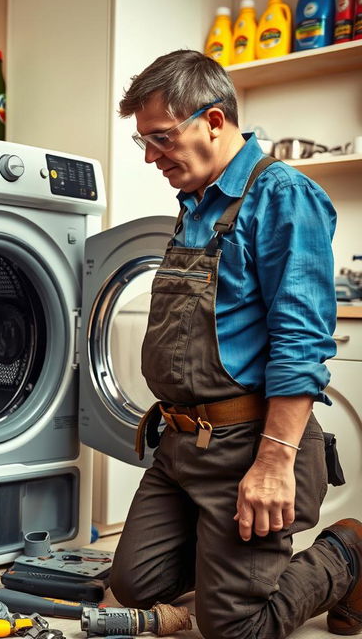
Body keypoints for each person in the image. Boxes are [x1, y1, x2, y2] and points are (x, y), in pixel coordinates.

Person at [109, 49, 362, 638]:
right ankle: (230, 560)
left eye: (161, 139)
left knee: (236, 628)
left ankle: (346, 552)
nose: (150, 156)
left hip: (247, 447)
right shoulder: (196, 202)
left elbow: (299, 343)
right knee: (136, 586)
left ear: (214, 121)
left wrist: (273, 463)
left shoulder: (281, 195)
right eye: (143, 141)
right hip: (180, 445)